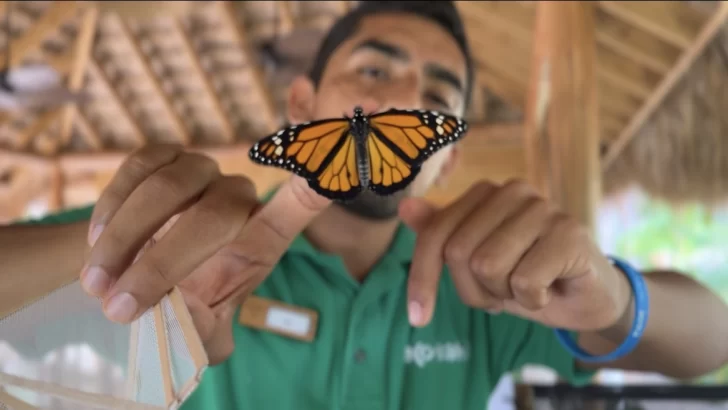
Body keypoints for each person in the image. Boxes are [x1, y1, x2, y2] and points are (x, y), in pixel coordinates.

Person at [5, 2, 728, 409]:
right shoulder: (188, 242)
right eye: (373, 69)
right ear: (302, 107)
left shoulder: (488, 281)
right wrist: (106, 259)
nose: (401, 102)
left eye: (437, 99)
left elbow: (714, 341)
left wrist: (613, 298)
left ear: (449, 153)